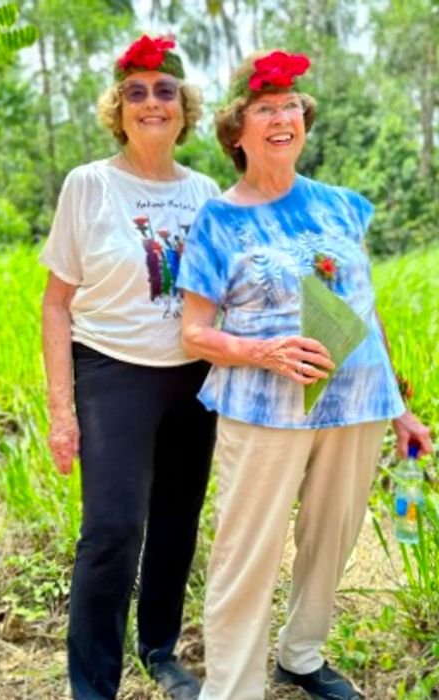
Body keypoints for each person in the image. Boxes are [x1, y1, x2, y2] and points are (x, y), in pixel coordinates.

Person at [177, 50, 433, 700]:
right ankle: (232, 689)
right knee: (247, 553)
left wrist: (398, 406)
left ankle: (301, 654)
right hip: (264, 407)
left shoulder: (343, 206)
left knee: (331, 539)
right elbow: (193, 333)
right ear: (238, 133)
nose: (283, 116)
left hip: (355, 404)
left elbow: (363, 308)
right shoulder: (219, 220)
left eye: (292, 106)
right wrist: (265, 352)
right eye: (266, 108)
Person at [39, 34, 219, 700]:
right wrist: (62, 411)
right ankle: (93, 685)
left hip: (192, 375)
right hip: (112, 371)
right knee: (113, 528)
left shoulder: (205, 191)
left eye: (164, 91)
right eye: (136, 93)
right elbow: (56, 304)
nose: (151, 103)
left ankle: (160, 649)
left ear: (183, 107)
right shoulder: (89, 184)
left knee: (178, 519)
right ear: (118, 108)